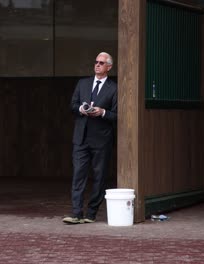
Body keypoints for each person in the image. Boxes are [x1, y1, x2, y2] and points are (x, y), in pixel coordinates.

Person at [62, 52, 117, 224]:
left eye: (102, 63)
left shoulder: (114, 88)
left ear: (109, 67)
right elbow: (72, 105)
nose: (98, 65)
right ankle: (76, 213)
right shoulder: (82, 83)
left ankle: (91, 213)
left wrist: (102, 113)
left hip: (101, 139)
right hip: (81, 137)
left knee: (99, 177)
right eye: (96, 62)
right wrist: (81, 110)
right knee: (78, 175)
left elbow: (117, 115)